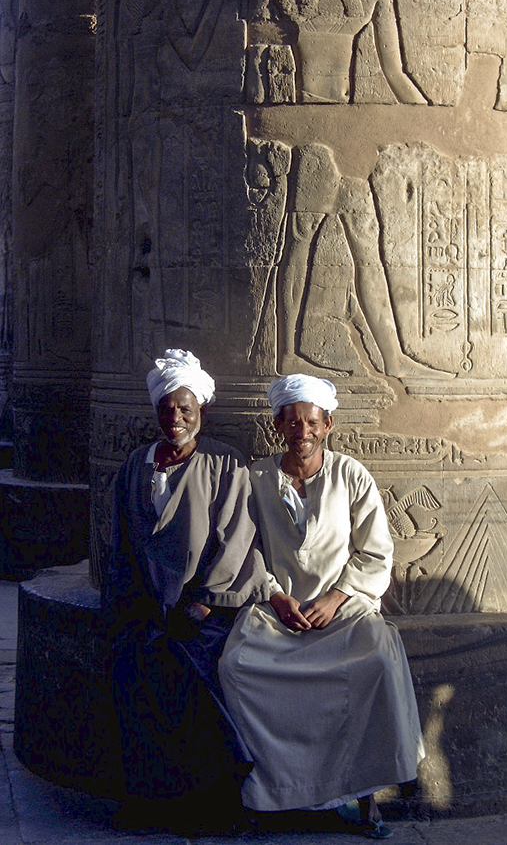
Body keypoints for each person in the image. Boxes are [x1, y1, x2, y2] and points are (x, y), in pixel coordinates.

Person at [219, 373, 425, 838]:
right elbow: (244, 549)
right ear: (278, 427)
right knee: (237, 666)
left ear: (328, 424)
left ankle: (366, 797)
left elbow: (375, 552)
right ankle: (273, 792)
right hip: (277, 612)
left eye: (311, 422)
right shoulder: (255, 478)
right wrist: (274, 593)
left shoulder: (351, 475)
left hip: (344, 609)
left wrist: (337, 596)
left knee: (376, 660)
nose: (302, 432)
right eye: (292, 422)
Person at [102, 349, 270, 835]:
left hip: (207, 607)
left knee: (187, 668)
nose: (174, 418)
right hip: (148, 606)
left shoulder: (224, 463)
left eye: (185, 410)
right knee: (131, 668)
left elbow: (237, 538)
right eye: (166, 409)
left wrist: (204, 599)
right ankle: (151, 798)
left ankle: (215, 801)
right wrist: (127, 605)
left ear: (201, 413)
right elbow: (122, 544)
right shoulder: (137, 466)